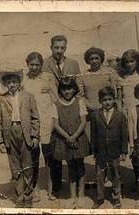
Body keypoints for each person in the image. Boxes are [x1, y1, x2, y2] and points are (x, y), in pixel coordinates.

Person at [42, 35, 82, 192]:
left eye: (62, 48)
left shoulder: (73, 63)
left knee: (74, 149)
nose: (59, 50)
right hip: (52, 109)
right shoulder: (44, 64)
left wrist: (75, 105)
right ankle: (56, 185)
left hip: (71, 109)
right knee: (55, 149)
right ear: (51, 47)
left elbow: (79, 86)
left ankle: (77, 184)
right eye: (56, 47)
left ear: (66, 48)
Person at [0, 70, 40, 207]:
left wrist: (35, 136)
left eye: (14, 82)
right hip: (10, 133)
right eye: (8, 82)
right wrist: (0, 141)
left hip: (24, 131)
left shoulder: (28, 96)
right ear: (5, 84)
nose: (12, 85)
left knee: (27, 164)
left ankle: (28, 194)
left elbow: (35, 118)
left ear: (19, 83)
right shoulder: (1, 99)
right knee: (15, 166)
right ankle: (20, 195)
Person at [22, 52, 57, 202]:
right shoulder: (24, 80)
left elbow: (57, 98)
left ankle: (51, 190)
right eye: (32, 64)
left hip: (48, 122)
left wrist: (50, 90)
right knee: (33, 158)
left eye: (37, 64)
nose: (34, 67)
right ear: (27, 64)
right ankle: (35, 190)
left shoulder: (48, 77)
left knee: (50, 158)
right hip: (32, 125)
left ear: (41, 64)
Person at [50, 77, 90, 208]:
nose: (67, 91)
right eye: (64, 89)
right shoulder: (56, 104)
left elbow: (83, 121)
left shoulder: (80, 102)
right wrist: (68, 137)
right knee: (71, 167)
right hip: (64, 139)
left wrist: (74, 136)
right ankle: (72, 196)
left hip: (79, 138)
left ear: (74, 89)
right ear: (60, 90)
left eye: (70, 88)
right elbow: (56, 125)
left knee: (80, 166)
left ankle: (81, 195)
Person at [117, 49, 139, 190]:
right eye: (127, 62)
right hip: (127, 116)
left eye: (132, 61)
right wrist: (120, 115)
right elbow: (119, 99)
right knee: (133, 148)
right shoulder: (122, 79)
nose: (130, 64)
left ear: (137, 61)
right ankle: (138, 178)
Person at [91, 86, 128, 209]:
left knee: (115, 174)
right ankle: (100, 197)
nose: (107, 102)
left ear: (114, 100)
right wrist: (94, 150)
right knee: (100, 175)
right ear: (100, 101)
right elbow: (93, 133)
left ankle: (116, 197)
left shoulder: (120, 115)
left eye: (109, 99)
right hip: (100, 150)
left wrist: (123, 151)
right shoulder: (96, 115)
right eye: (104, 100)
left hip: (115, 150)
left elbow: (124, 134)